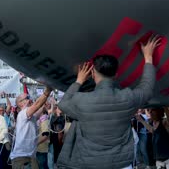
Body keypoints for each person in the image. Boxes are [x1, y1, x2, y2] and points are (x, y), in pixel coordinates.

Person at [56, 36, 160, 169]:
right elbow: (147, 88)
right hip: (121, 163)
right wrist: (148, 56)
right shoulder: (127, 98)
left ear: (93, 73)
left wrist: (79, 81)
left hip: (89, 163)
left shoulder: (82, 100)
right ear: (116, 74)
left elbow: (63, 104)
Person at [10, 86, 53, 168]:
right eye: (28, 97)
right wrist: (47, 91)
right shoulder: (23, 113)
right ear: (20, 103)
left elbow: (39, 108)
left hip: (30, 157)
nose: (30, 99)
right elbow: (37, 105)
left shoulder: (30, 115)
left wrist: (45, 103)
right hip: (22, 158)